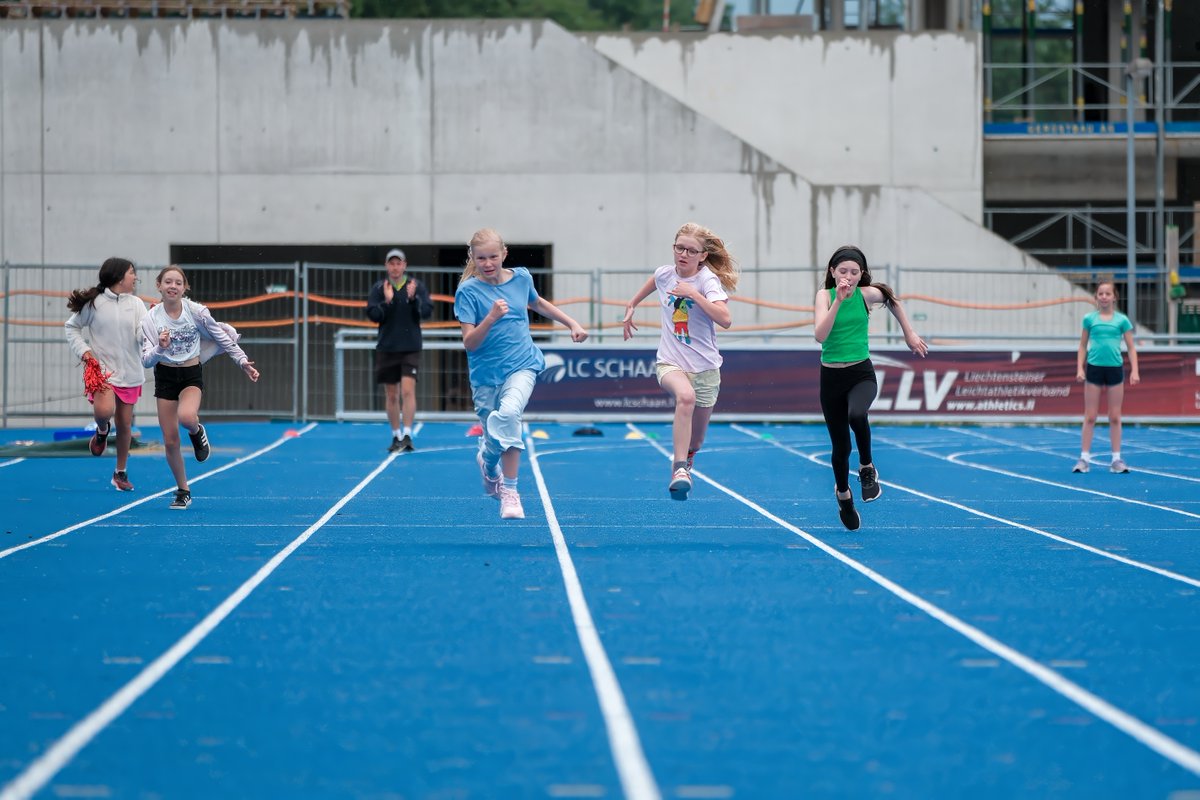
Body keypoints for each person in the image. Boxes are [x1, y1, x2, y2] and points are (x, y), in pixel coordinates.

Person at [454, 228, 589, 520]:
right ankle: (489, 466)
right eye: (481, 258)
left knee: (511, 414)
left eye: (493, 256)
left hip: (522, 365)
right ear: (473, 258)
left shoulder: (521, 278)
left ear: (504, 254)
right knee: (493, 444)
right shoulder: (467, 292)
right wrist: (490, 318)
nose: (488, 263)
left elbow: (537, 303)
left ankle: (511, 492)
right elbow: (469, 343)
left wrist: (571, 323)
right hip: (486, 377)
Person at [813, 245, 928, 531]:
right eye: (843, 272)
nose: (848, 277)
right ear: (832, 272)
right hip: (831, 378)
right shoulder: (824, 297)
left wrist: (909, 333)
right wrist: (838, 301)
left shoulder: (867, 295)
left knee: (857, 413)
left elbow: (892, 300)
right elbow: (820, 335)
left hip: (861, 372)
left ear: (861, 275)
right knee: (841, 448)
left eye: (854, 272)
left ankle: (867, 467)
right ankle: (843, 496)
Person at [622, 222, 738, 500]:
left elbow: (725, 320)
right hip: (670, 362)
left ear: (702, 256)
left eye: (691, 250)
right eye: (679, 248)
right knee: (684, 397)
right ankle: (679, 469)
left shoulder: (707, 280)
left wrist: (693, 294)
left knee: (696, 440)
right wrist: (631, 305)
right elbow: (652, 283)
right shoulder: (664, 274)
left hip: (706, 369)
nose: (683, 254)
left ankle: (688, 456)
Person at [140, 266, 260, 509]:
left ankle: (196, 431)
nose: (172, 286)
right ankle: (183, 490)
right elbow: (146, 360)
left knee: (186, 417)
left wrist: (242, 361)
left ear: (185, 288)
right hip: (164, 375)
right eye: (168, 282)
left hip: (190, 373)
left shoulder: (196, 312)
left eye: (178, 282)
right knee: (171, 440)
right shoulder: (150, 319)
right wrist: (161, 347)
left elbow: (222, 336)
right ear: (159, 286)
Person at [65, 257, 149, 492]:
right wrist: (85, 352)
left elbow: (142, 333)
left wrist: (154, 334)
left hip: (131, 372)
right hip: (103, 372)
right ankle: (102, 430)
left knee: (125, 425)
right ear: (119, 276)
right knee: (104, 412)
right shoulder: (94, 304)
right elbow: (71, 327)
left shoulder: (137, 304)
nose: (135, 277)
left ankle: (119, 473)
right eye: (132, 272)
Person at [366, 248, 433, 453]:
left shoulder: (416, 286)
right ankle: (395, 435)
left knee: (407, 390)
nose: (395, 267)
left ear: (405, 265)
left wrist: (413, 300)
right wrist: (386, 302)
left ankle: (408, 433)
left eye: (399, 263)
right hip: (387, 347)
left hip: (410, 347)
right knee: (392, 394)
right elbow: (373, 314)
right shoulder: (380, 288)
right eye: (391, 263)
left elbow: (426, 311)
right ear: (387, 266)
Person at [1073, 280, 1140, 474]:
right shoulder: (1089, 319)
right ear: (1096, 297)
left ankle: (1116, 459)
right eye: (1100, 293)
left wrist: (1135, 370)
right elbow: (1082, 346)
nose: (1104, 297)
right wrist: (1080, 368)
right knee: (1091, 416)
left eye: (1107, 294)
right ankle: (1084, 458)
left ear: (1114, 297)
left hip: (1114, 370)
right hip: (1094, 369)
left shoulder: (1122, 321)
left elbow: (1131, 347)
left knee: (1115, 417)